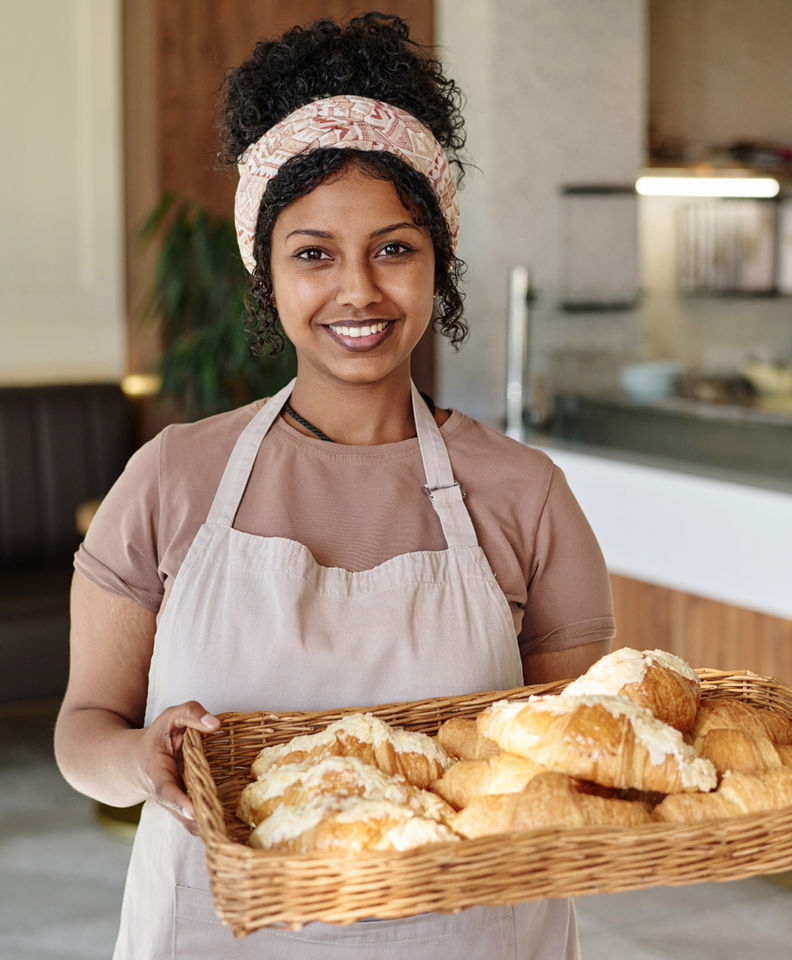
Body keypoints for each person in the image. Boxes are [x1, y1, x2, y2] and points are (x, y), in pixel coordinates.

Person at [54, 12, 615, 959]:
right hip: (215, 933)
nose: (357, 290)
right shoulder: (171, 479)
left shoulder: (526, 494)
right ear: (267, 273)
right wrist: (138, 761)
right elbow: (83, 732)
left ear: (438, 263)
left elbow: (581, 770)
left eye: (393, 248)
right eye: (313, 253)